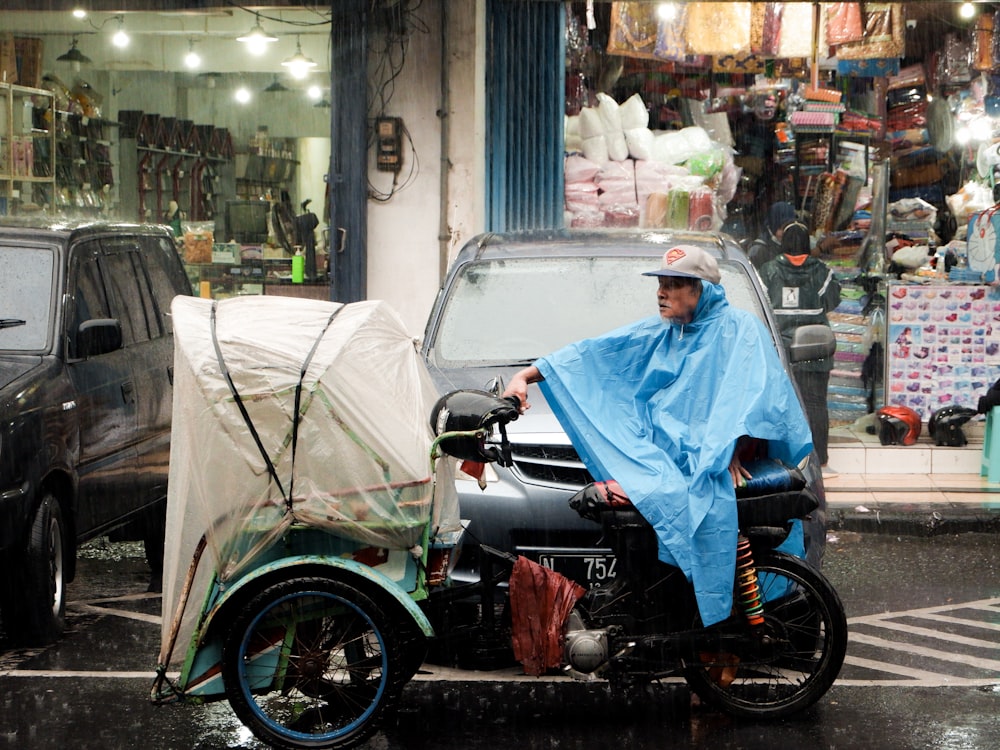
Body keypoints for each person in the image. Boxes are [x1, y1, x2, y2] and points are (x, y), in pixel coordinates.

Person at [503, 244, 813, 628]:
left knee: (698, 510)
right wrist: (524, 377)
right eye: (660, 283)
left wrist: (728, 450)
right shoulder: (661, 333)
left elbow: (750, 400)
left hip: (721, 464)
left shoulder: (741, 330)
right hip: (668, 462)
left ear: (702, 290)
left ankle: (714, 632)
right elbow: (590, 356)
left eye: (673, 284)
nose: (661, 293)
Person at [758, 222, 841, 472]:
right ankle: (820, 457)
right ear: (808, 244)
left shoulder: (768, 271)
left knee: (781, 404)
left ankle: (786, 458)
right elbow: (833, 301)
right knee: (815, 403)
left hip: (780, 351)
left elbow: (759, 304)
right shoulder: (822, 272)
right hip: (815, 350)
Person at [748, 200, 796, 269]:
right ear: (772, 225)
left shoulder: (793, 246)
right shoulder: (758, 250)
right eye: (781, 228)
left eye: (788, 229)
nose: (785, 233)